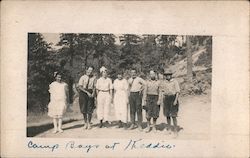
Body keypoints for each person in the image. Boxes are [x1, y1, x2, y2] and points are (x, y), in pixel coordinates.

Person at [159, 70, 180, 136]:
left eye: (169, 75)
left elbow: (177, 92)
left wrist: (176, 100)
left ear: (171, 75)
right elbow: (162, 92)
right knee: (167, 115)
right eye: (166, 75)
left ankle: (175, 130)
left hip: (173, 98)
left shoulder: (175, 81)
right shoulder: (164, 82)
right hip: (166, 99)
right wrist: (162, 100)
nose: (168, 76)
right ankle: (169, 129)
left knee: (173, 115)